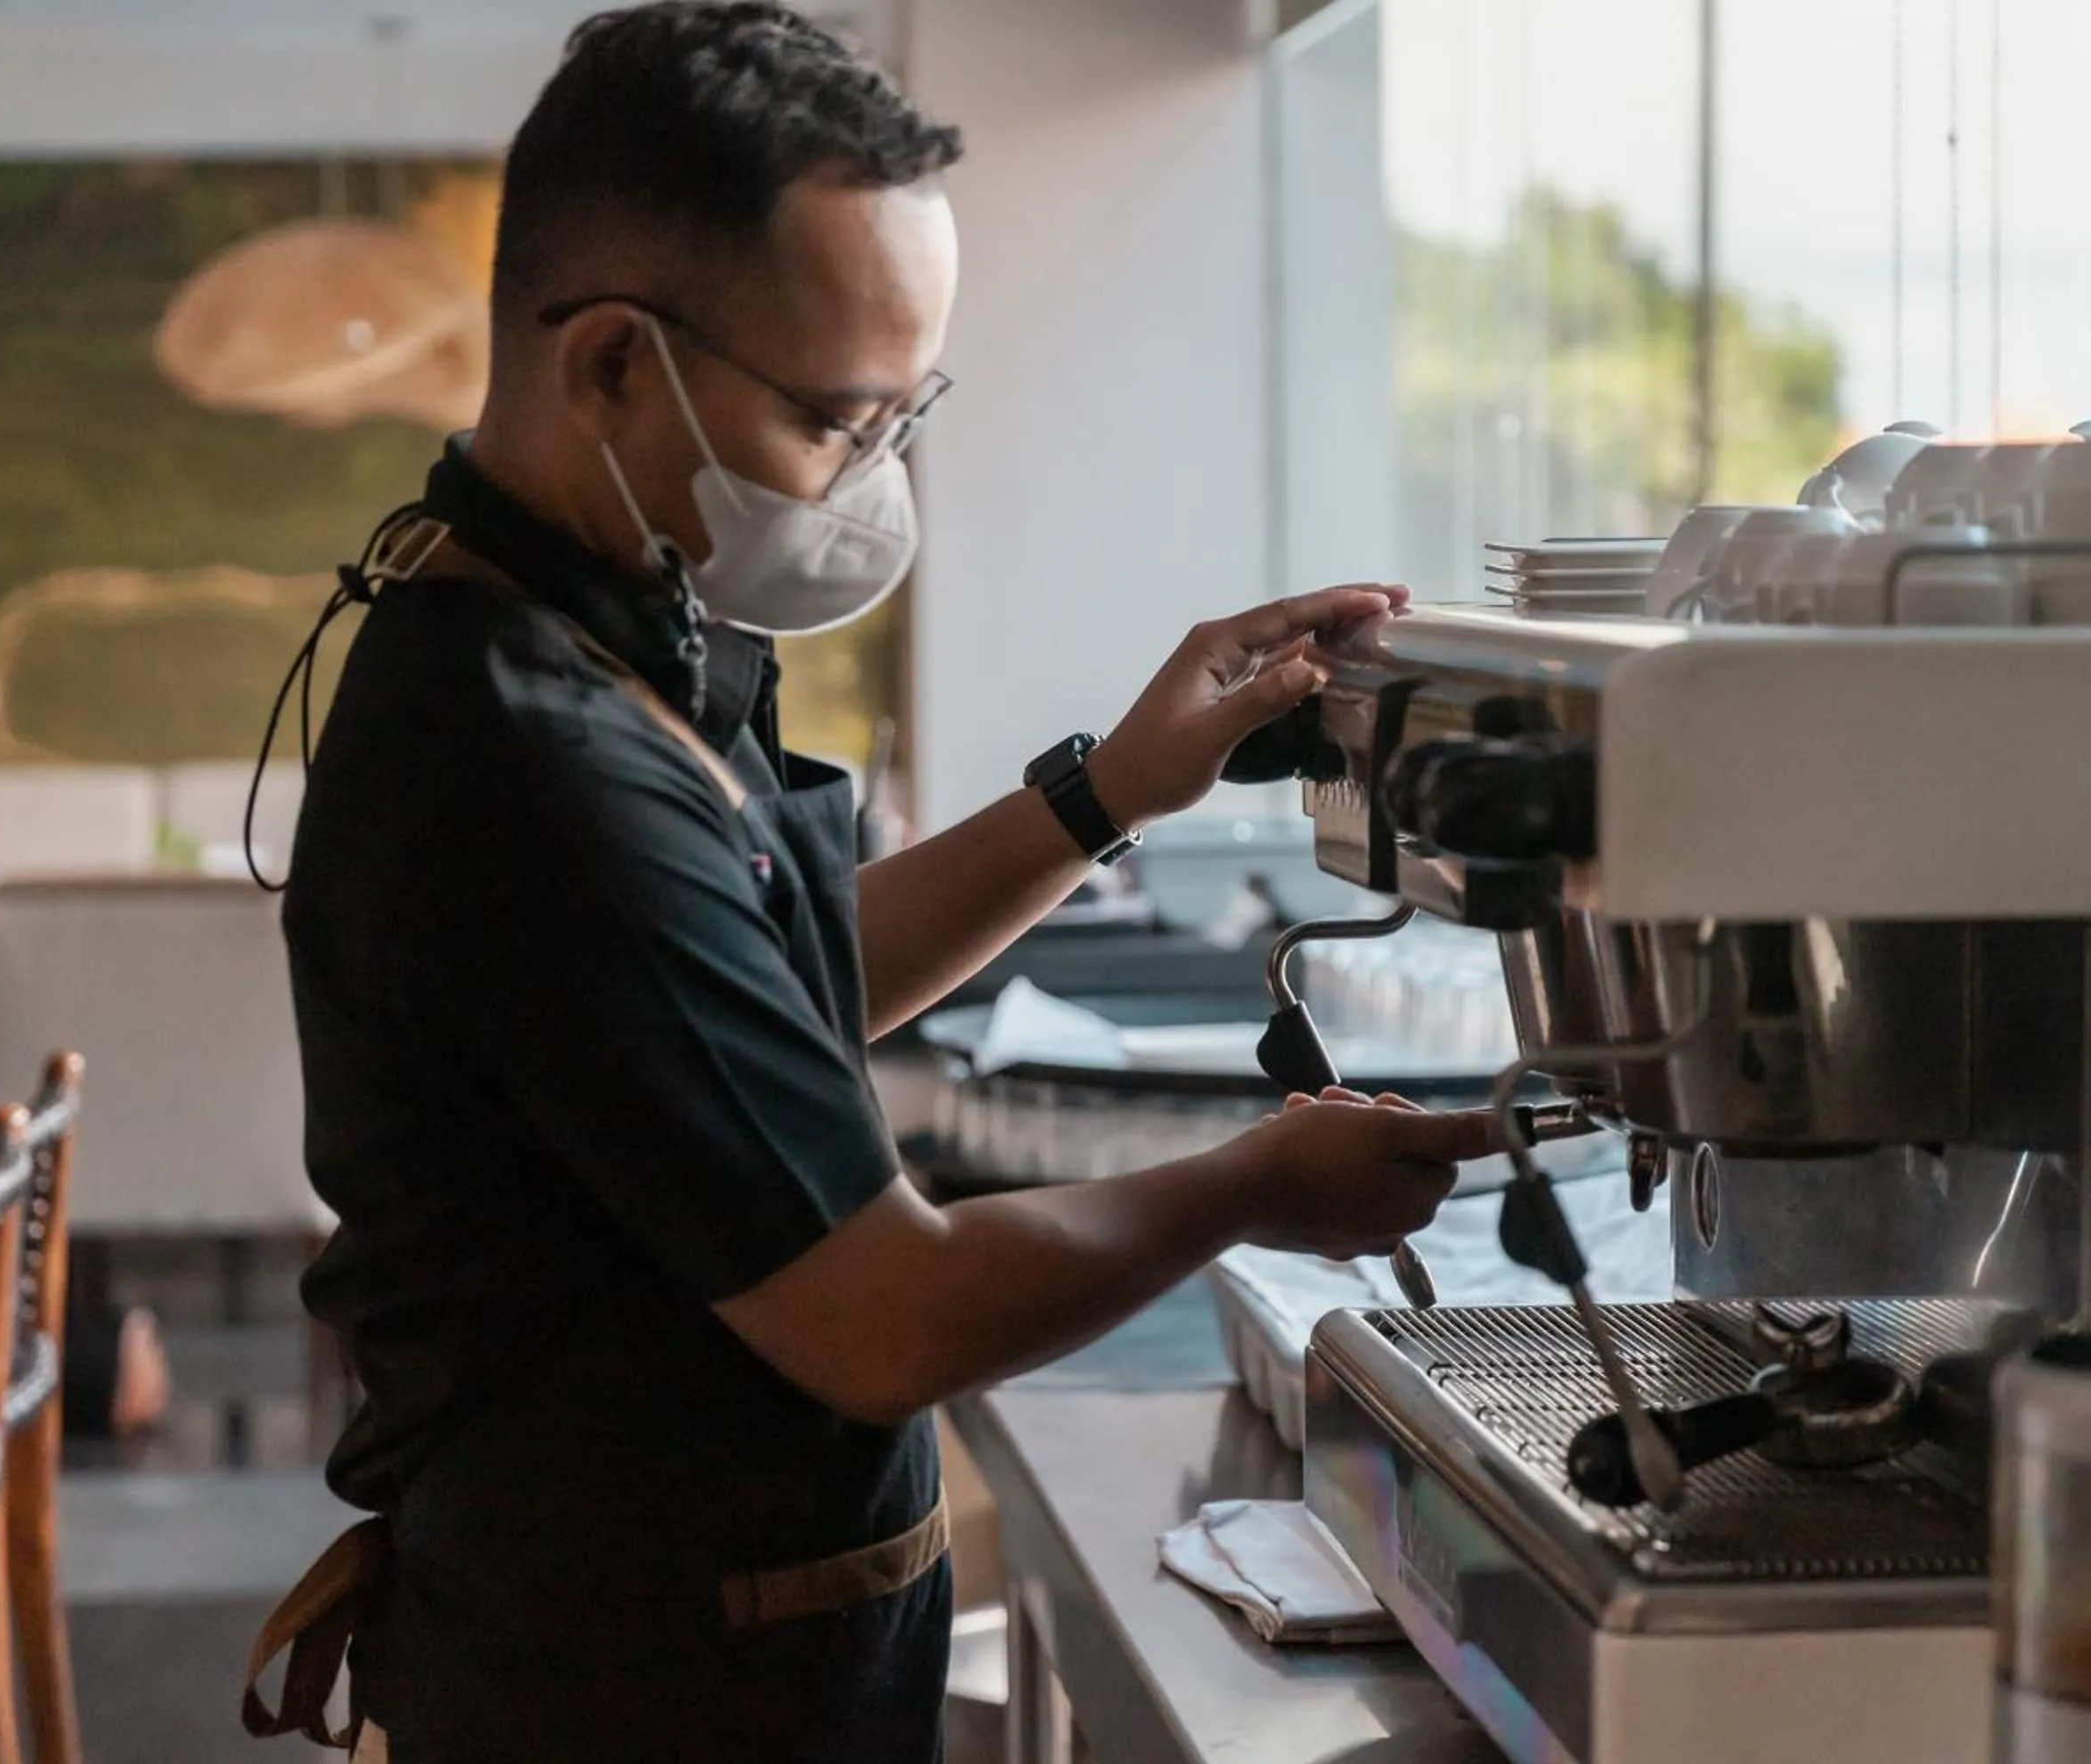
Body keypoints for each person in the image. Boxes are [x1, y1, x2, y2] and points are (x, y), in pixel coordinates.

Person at [246, 6, 1495, 1760]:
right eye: (841, 418)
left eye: (908, 413)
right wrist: (1250, 1183)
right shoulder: (529, 762)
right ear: (610, 364)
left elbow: (776, 980)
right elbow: (886, 1314)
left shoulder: (603, 633)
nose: (874, 480)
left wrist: (1111, 786)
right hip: (631, 1702)